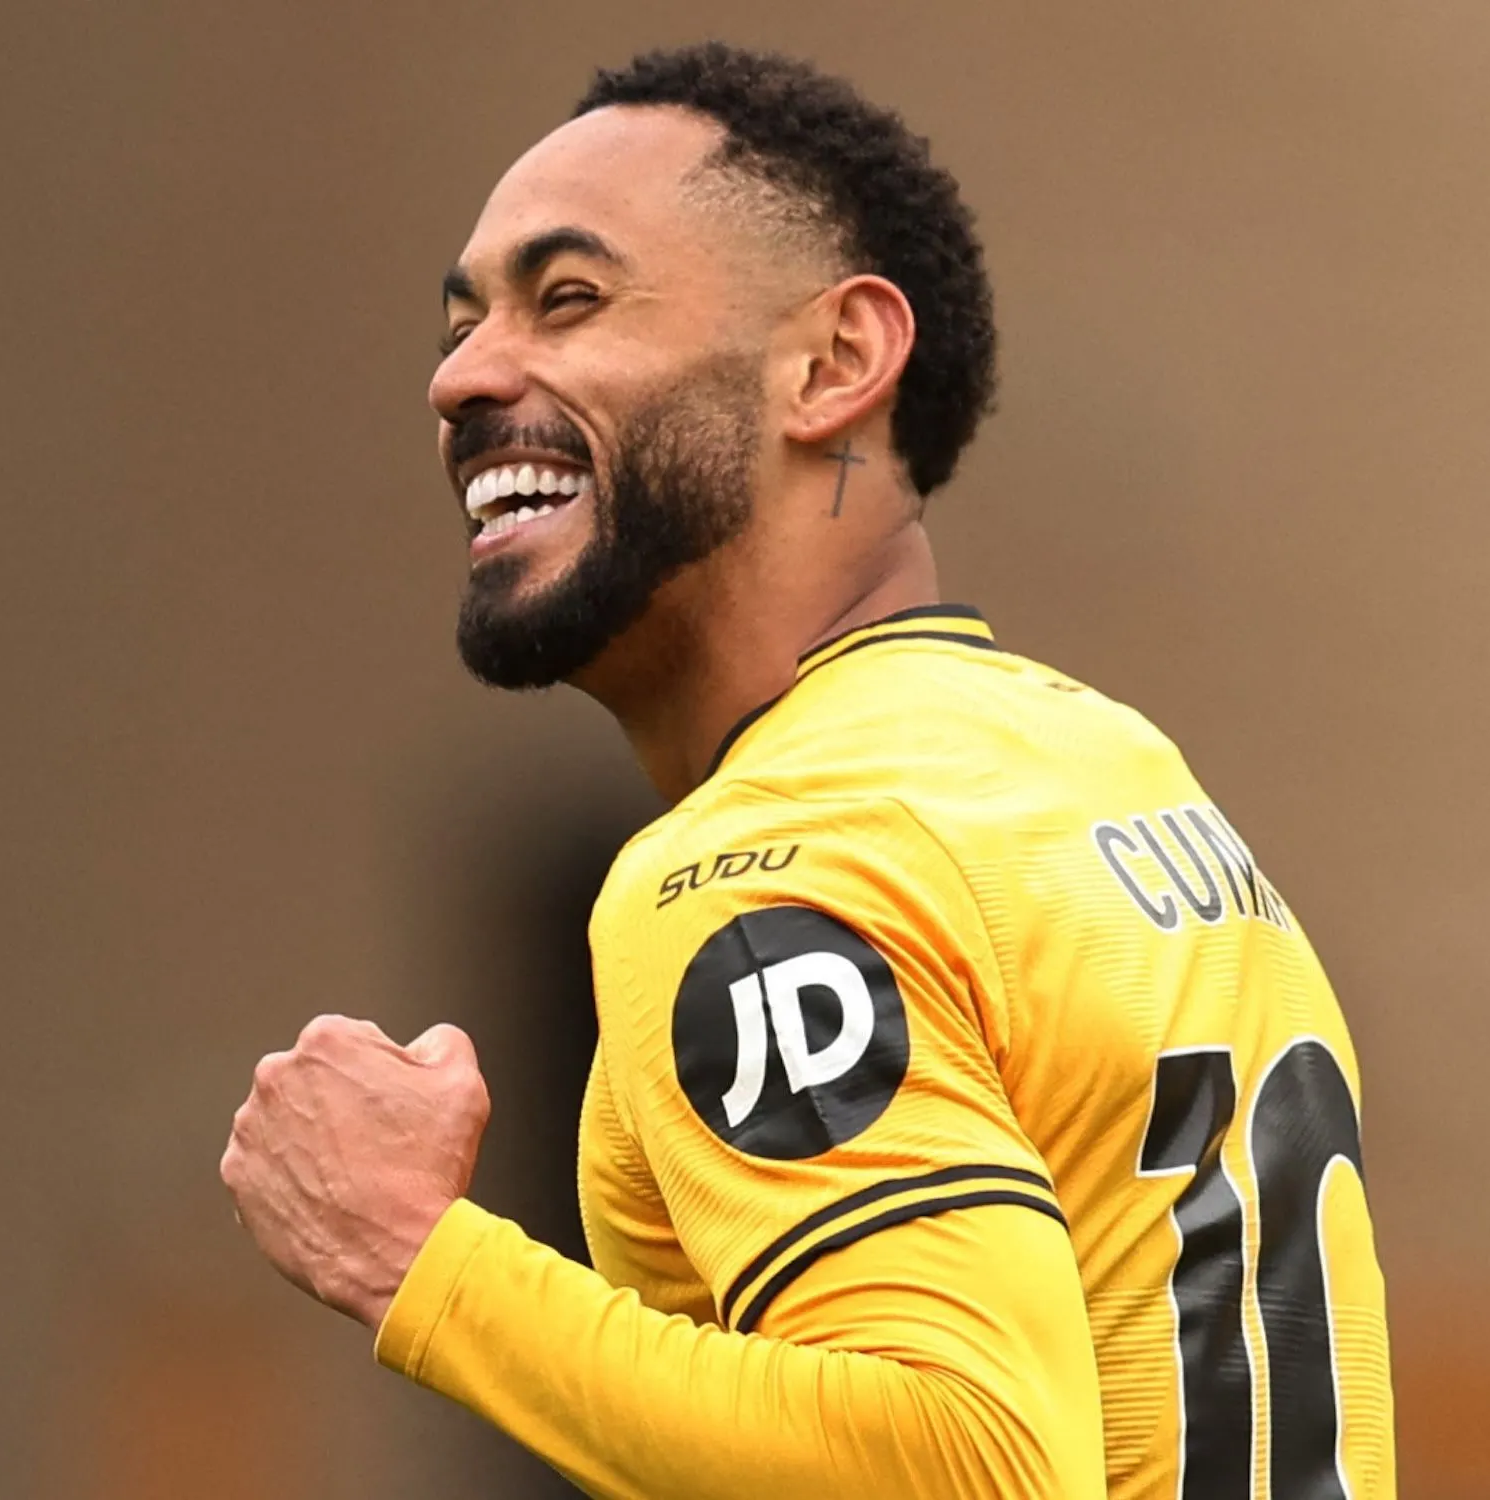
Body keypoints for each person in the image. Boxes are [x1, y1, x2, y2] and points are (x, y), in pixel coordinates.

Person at [219, 42, 1396, 1500]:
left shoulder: (772, 858)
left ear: (834, 364)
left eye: (568, 299)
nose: (462, 377)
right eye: (461, 325)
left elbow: (969, 1460)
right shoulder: (1101, 765)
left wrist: (420, 1265)